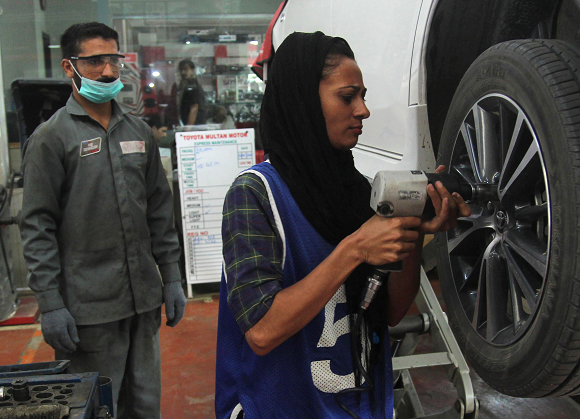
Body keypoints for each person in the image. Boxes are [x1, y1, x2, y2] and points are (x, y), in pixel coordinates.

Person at [215, 32, 470, 418]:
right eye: (347, 96)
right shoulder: (255, 195)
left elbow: (390, 313)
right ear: (302, 100)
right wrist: (355, 249)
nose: (363, 110)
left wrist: (412, 227)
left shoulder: (360, 193)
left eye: (363, 96)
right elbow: (262, 331)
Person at [20, 22, 186, 418]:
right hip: (87, 310)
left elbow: (160, 212)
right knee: (95, 410)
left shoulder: (139, 132)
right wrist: (51, 303)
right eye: (95, 61)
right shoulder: (52, 138)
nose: (108, 71)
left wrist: (173, 276)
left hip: (143, 300)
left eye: (113, 59)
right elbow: (37, 226)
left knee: (145, 405)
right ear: (68, 66)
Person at [176, 58, 208, 126]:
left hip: (195, 125)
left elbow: (194, 107)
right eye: (181, 70)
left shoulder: (192, 85)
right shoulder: (187, 84)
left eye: (185, 69)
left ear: (193, 70)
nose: (183, 72)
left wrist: (188, 128)